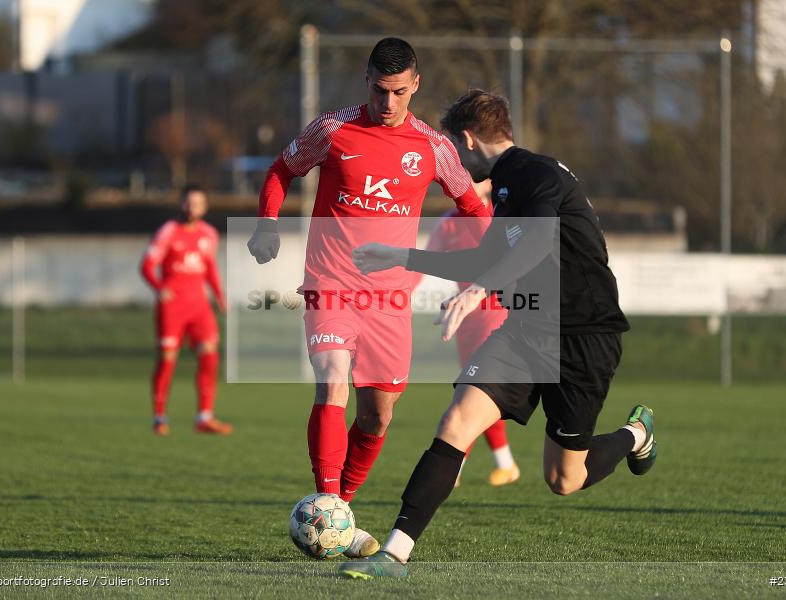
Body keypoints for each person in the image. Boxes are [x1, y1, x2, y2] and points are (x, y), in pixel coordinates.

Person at [341, 90, 657, 578]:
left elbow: (534, 242)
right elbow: (484, 260)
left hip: (583, 336)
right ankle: (394, 554)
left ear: (468, 140)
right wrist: (403, 257)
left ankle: (635, 434)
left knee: (563, 479)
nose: (453, 161)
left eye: (453, 148)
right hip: (527, 329)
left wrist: (476, 293)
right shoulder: (507, 186)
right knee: (456, 423)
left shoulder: (536, 174)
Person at [247, 38, 488, 558]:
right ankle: (329, 504)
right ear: (367, 80)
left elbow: (473, 207)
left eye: (399, 92)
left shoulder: (432, 148)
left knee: (377, 417)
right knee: (332, 381)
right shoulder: (332, 130)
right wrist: (267, 223)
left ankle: (338, 514)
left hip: (390, 302)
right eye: (380, 90)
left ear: (415, 85)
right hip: (330, 283)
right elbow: (280, 170)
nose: (388, 102)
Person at [421, 179, 519, 488]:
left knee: (474, 389)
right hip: (463, 318)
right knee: (476, 390)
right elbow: (425, 262)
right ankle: (506, 464)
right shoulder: (448, 224)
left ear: (489, 184)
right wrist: (394, 296)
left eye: (470, 179)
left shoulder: (497, 220)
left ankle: (454, 467)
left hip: (496, 312)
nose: (459, 184)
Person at [141, 184, 232, 436]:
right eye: (188, 202)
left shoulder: (209, 234)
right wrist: (159, 288)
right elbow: (147, 265)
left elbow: (210, 268)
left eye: (197, 203)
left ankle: (204, 417)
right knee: (167, 360)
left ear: (205, 207)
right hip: (172, 306)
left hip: (199, 306)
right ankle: (159, 417)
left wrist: (219, 296)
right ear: (180, 203)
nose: (192, 207)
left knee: (210, 356)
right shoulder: (168, 231)